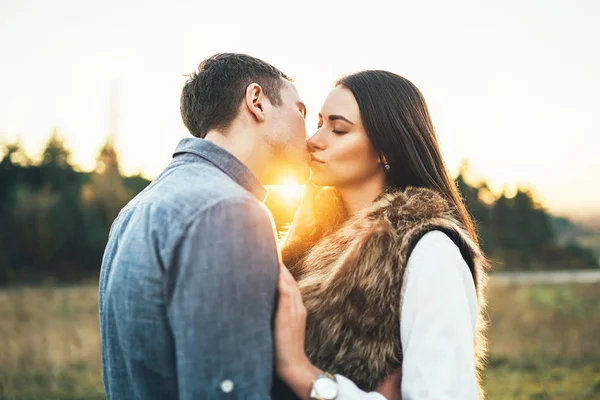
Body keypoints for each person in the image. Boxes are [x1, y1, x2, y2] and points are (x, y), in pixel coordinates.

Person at [98, 53, 309, 399]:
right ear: (257, 102)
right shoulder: (229, 210)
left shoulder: (137, 207)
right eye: (300, 110)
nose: (310, 131)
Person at [272, 70, 489, 400]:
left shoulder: (429, 250)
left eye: (339, 129)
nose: (314, 139)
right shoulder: (311, 246)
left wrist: (305, 375)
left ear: (386, 151)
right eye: (319, 123)